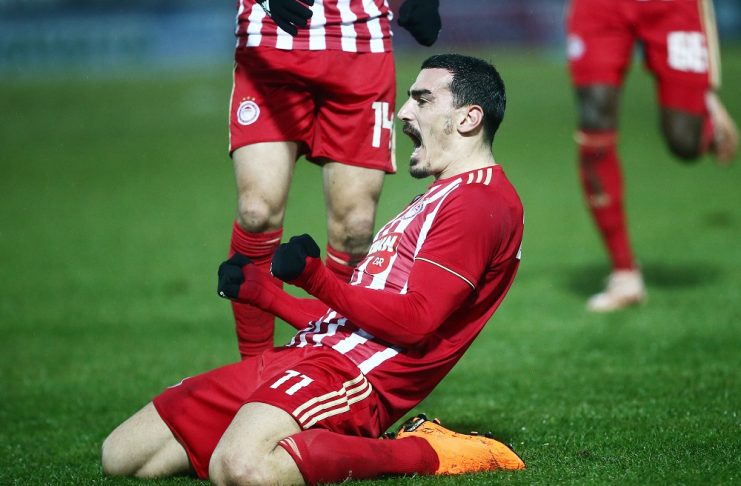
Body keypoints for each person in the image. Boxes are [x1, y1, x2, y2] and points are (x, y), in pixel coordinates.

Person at [101, 54, 526, 484]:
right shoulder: (438, 197)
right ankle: (302, 444)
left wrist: (315, 278)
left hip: (352, 377)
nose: (403, 111)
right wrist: (265, 295)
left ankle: (423, 452)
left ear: (469, 118)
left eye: (422, 99)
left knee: (241, 467)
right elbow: (353, 320)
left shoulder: (479, 203)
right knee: (124, 456)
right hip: (309, 353)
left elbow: (416, 322)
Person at [227, 0, 441, 358]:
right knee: (256, 211)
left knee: (355, 230)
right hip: (270, 41)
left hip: (362, 44)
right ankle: (255, 368)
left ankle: (328, 362)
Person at [566, 0, 739, 312]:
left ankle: (704, 112)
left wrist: (708, 88)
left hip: (671, 6)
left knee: (684, 143)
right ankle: (624, 273)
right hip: (599, 7)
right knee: (594, 124)